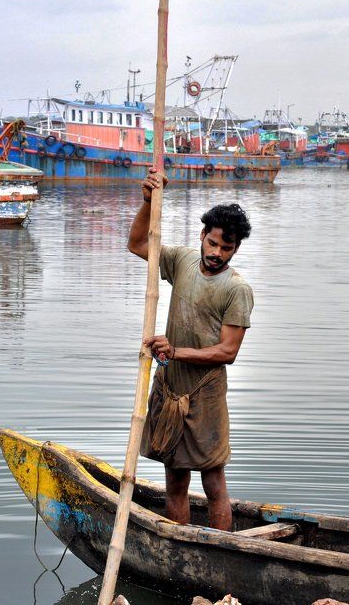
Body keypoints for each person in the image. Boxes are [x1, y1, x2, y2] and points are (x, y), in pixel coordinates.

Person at [127, 168, 254, 531]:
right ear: (202, 236)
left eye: (226, 248)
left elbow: (227, 352)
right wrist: (149, 201)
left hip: (206, 392)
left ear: (236, 248)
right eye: (213, 244)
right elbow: (137, 245)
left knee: (213, 481)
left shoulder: (236, 289)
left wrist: (174, 351)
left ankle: (220, 550)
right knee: (175, 479)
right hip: (171, 388)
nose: (217, 253)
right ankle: (179, 544)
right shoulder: (181, 261)